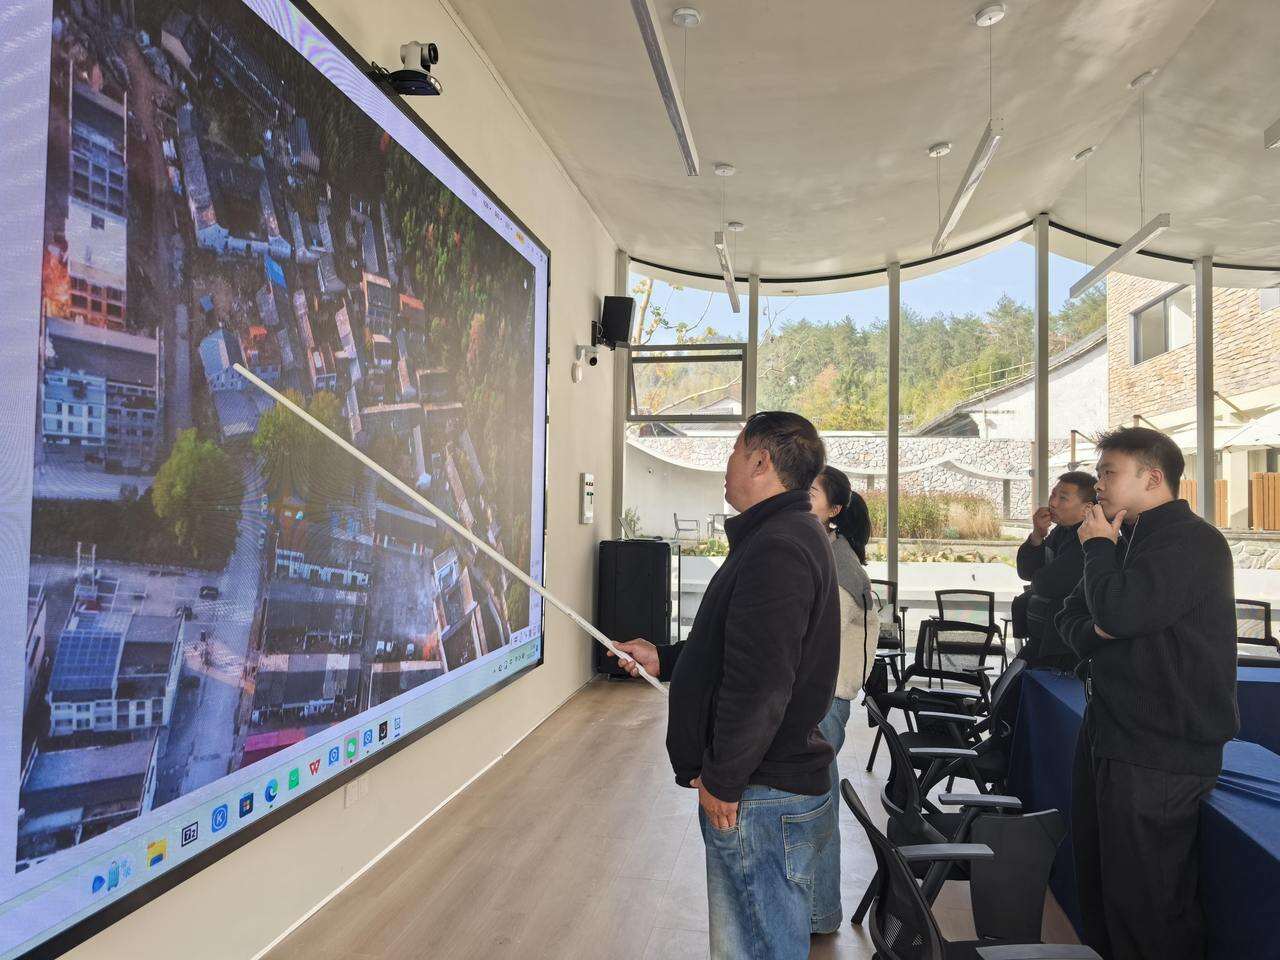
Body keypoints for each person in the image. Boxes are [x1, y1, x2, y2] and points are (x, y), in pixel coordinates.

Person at [609, 411, 839, 960]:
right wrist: (663, 658)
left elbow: (761, 685)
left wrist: (725, 779)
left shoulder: (778, 547)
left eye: (734, 451)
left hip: (759, 794)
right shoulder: (781, 536)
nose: (727, 464)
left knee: (754, 948)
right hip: (765, 787)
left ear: (761, 462)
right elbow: (736, 647)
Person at [1055, 427, 1238, 960]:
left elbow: (1117, 611)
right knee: (1102, 885)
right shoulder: (1123, 539)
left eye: (1109, 473)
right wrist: (1103, 624)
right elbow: (1069, 616)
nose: (1098, 486)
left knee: (1148, 902)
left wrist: (1104, 585)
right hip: (1112, 728)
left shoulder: (1191, 542)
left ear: (1153, 478)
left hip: (1161, 745)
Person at [808, 466, 879, 935]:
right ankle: (819, 912)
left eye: (811, 492)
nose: (800, 497)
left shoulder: (837, 565)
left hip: (823, 700)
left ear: (834, 510)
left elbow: (810, 641)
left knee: (815, 804)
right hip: (827, 697)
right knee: (818, 799)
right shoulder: (829, 553)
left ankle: (819, 913)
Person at [1011, 471, 1095, 672]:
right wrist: (1037, 536)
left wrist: (1038, 579)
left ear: (1087, 509)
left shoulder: (1088, 537)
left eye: (1063, 498)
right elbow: (1026, 572)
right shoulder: (1060, 531)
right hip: (1043, 640)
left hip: (1064, 648)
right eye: (1053, 495)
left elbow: (1046, 583)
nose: (1053, 503)